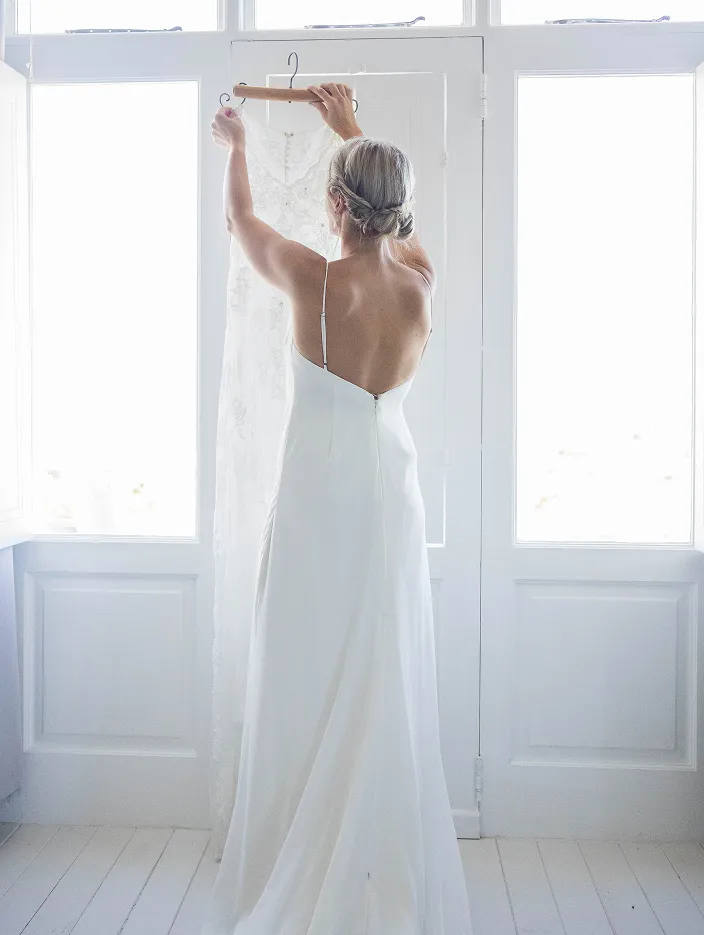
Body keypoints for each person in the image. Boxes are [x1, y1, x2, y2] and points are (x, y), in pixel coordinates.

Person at [203, 83, 473, 935]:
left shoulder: (313, 281)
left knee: (308, 663)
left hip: (321, 496)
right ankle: (371, 860)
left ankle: (303, 850)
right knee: (381, 666)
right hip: (388, 491)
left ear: (334, 206)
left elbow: (241, 224)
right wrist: (351, 128)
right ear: (395, 211)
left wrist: (237, 145)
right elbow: (407, 240)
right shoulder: (423, 287)